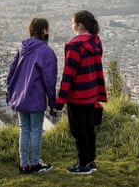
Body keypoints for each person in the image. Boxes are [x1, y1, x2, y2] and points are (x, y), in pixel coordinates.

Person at [55, 10, 107, 175]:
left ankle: (83, 165)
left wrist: (60, 100)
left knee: (79, 131)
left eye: (73, 23)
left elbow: (68, 75)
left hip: (77, 96)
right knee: (89, 129)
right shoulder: (95, 42)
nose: (72, 26)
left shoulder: (75, 46)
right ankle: (90, 161)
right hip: (91, 93)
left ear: (80, 25)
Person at [6, 17, 58, 174]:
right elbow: (49, 79)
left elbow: (11, 71)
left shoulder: (22, 48)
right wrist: (52, 102)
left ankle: (23, 164)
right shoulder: (46, 51)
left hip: (20, 97)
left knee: (24, 129)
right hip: (35, 96)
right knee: (36, 130)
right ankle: (35, 164)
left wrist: (10, 93)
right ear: (44, 31)